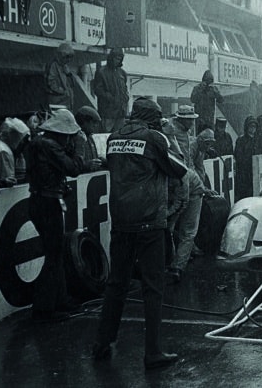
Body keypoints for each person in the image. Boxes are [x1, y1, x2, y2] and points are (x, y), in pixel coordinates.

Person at [92, 98, 187, 369]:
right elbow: (178, 169)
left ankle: (102, 343)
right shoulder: (154, 138)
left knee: (116, 285)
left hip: (121, 221)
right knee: (153, 288)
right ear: (152, 118)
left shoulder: (114, 137)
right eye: (158, 118)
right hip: (149, 222)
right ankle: (153, 352)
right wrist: (168, 136)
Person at [26, 109, 84, 322]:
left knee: (55, 253)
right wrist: (77, 149)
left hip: (43, 199)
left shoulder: (39, 143)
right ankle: (44, 307)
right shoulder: (48, 146)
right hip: (47, 202)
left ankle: (59, 299)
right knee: (53, 255)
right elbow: (74, 168)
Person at [166, 168, 205, 283]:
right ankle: (172, 261)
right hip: (176, 192)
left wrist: (168, 214)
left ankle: (177, 267)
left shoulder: (181, 176)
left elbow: (182, 202)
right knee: (168, 229)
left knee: (187, 232)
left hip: (194, 193)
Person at [92, 47, 129, 133]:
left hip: (120, 113)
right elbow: (98, 90)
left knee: (119, 136)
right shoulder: (101, 72)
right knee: (106, 135)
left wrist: (126, 97)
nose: (118, 61)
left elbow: (125, 88)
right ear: (111, 57)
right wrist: (111, 99)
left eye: (120, 59)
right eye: (116, 58)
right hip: (107, 113)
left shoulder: (122, 73)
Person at [234, 116, 258, 201]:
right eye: (251, 126)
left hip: (254, 171)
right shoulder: (241, 140)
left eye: (254, 127)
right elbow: (238, 156)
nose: (252, 129)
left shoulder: (257, 140)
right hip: (243, 173)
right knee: (243, 195)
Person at [45, 42, 75, 111]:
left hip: (67, 103)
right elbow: (50, 83)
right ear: (62, 55)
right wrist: (62, 91)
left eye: (70, 58)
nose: (68, 60)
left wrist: (68, 74)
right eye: (67, 57)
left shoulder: (65, 66)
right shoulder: (53, 65)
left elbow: (72, 84)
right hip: (57, 103)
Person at [74, 106, 104, 172]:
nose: (95, 126)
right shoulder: (74, 138)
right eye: (93, 122)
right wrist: (86, 166)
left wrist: (102, 161)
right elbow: (71, 164)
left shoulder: (89, 137)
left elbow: (92, 159)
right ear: (84, 122)